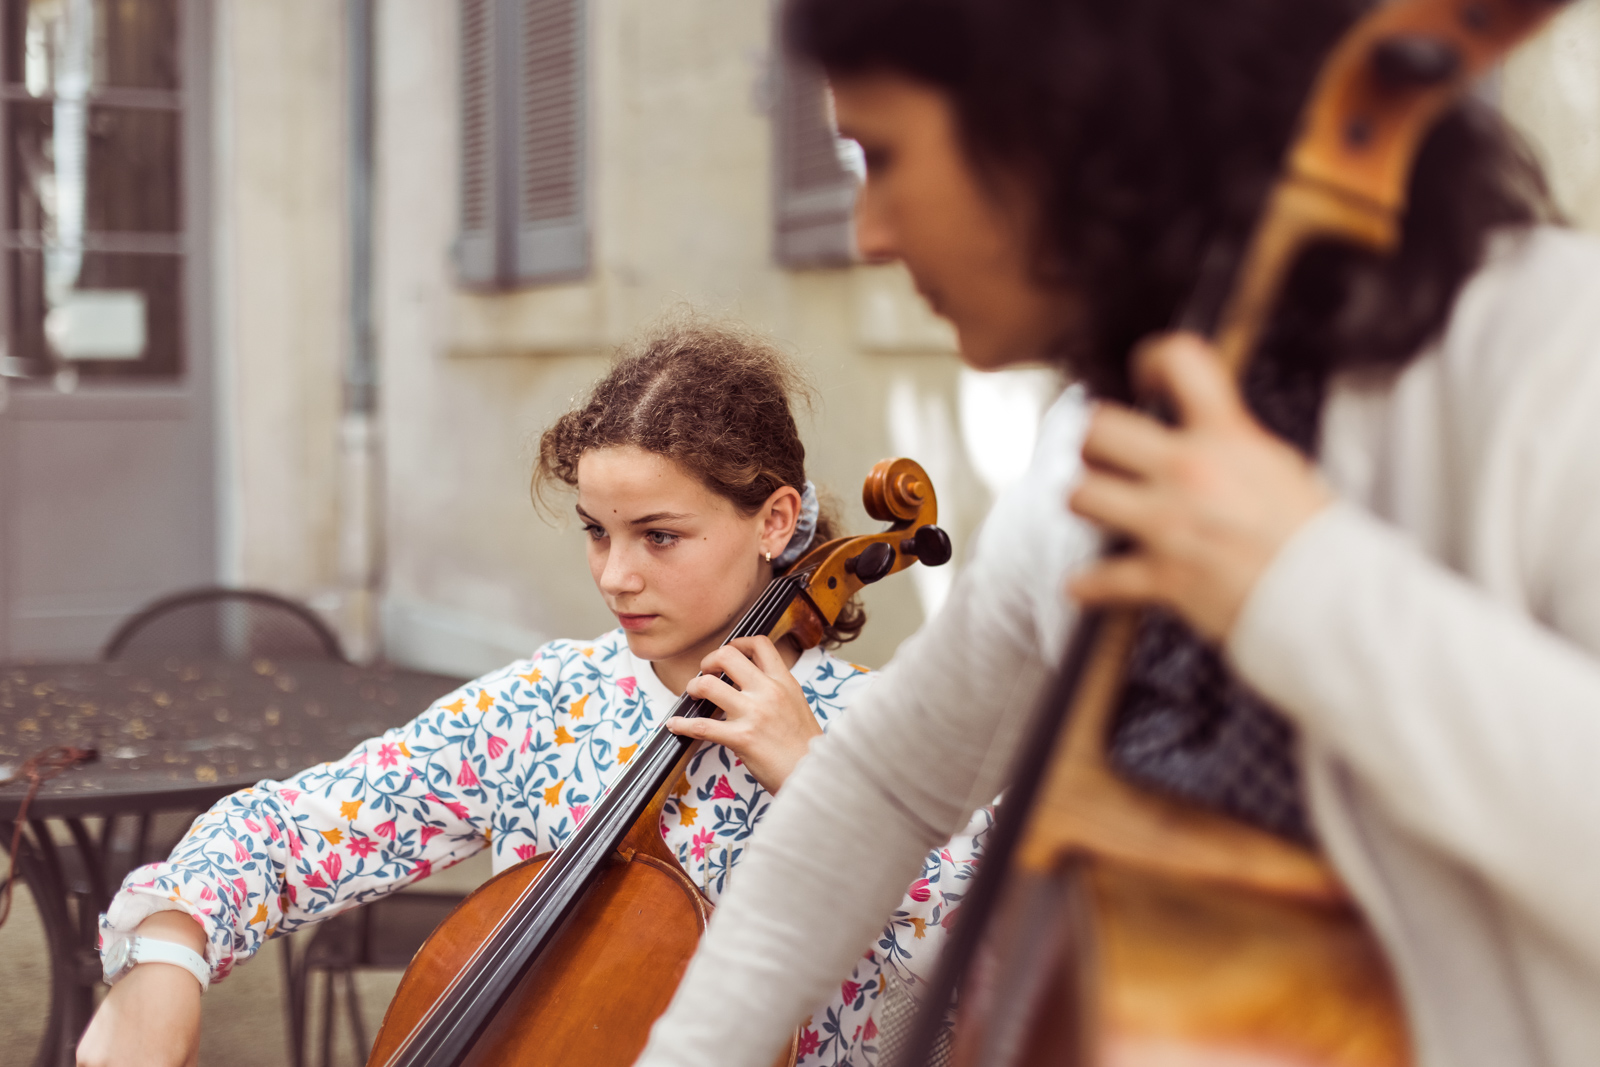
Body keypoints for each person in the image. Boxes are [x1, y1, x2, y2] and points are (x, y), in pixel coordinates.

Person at [635, 2, 1600, 1066]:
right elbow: (880, 784)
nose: (868, 233)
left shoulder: (1555, 363)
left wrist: (1305, 582)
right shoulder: (1091, 448)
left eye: (884, 154)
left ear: (1057, 123)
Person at [76, 319, 991, 1067]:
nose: (617, 575)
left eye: (659, 536)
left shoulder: (879, 734)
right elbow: (289, 831)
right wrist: (167, 948)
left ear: (776, 521)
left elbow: (995, 960)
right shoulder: (550, 705)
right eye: (597, 531)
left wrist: (818, 781)